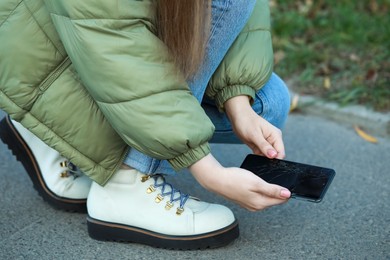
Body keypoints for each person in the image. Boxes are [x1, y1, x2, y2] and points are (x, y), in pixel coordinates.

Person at [0, 0, 291, 250]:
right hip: (50, 49)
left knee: (267, 104)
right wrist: (209, 171)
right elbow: (117, 46)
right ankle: (126, 182)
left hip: (93, 39)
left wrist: (237, 101)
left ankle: (59, 129)